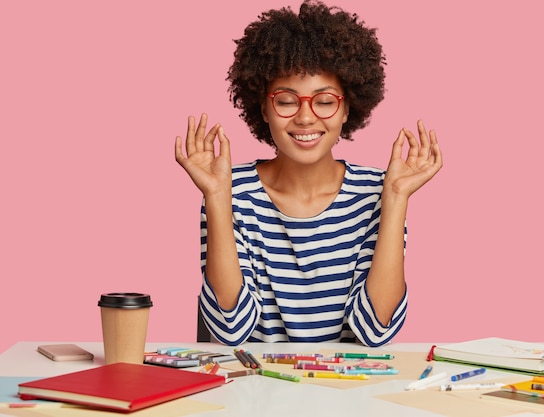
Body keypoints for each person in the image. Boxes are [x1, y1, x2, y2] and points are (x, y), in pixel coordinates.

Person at [175, 0, 443, 347]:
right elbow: (231, 330)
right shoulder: (230, 190)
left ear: (347, 108)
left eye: (325, 100)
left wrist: (395, 198)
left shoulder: (378, 191)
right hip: (257, 392)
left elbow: (375, 331)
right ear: (263, 108)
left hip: (349, 391)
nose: (305, 117)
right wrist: (216, 197)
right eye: (286, 100)